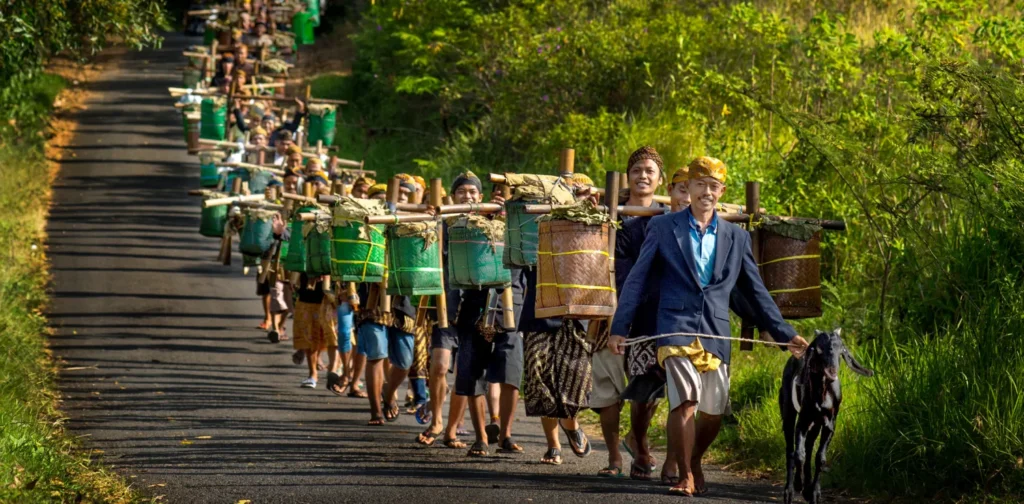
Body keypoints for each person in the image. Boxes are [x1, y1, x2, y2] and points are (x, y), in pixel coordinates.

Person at [609, 156, 809, 497]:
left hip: (715, 330)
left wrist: (784, 334)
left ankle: (696, 459)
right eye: (699, 185)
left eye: (713, 186)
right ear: (689, 188)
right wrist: (620, 326)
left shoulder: (736, 237)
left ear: (721, 192)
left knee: (712, 413)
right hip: (674, 325)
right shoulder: (663, 227)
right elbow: (637, 279)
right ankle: (685, 474)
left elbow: (756, 292)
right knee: (685, 400)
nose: (705, 192)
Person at [591, 146, 667, 479]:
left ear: (660, 178)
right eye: (637, 170)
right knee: (608, 386)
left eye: (650, 170)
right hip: (609, 305)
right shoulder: (611, 212)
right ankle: (613, 458)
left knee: (647, 384)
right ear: (627, 176)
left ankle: (638, 439)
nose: (643, 176)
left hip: (652, 310)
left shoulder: (670, 216)